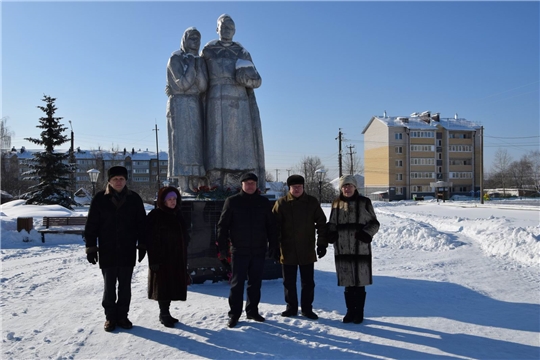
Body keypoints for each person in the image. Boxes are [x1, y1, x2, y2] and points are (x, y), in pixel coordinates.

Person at [201, 14, 265, 191]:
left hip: (239, 104)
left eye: (230, 27)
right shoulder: (208, 50)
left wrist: (245, 78)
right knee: (215, 143)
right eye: (223, 27)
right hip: (214, 101)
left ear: (235, 31)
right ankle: (214, 183)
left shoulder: (241, 52)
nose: (227, 30)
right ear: (217, 29)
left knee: (240, 145)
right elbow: (200, 76)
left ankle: (239, 182)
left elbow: (257, 80)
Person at [84, 166, 147, 332]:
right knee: (109, 286)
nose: (118, 182)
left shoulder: (134, 199)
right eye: (115, 179)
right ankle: (110, 317)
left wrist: (142, 245)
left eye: (121, 179)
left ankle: (123, 316)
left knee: (125, 287)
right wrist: (91, 247)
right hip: (107, 250)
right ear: (109, 181)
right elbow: (91, 225)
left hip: (127, 250)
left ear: (126, 180)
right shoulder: (100, 199)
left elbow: (142, 224)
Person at [216, 172, 277, 328]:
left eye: (253, 183)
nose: (250, 186)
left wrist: (274, 245)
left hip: (258, 249)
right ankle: (234, 314)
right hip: (239, 250)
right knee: (236, 284)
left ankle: (252, 311)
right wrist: (222, 247)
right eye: (247, 183)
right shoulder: (232, 202)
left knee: (255, 283)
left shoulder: (263, 202)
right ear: (241, 185)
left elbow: (271, 226)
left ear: (256, 185)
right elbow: (222, 226)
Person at [325, 175, 380, 324]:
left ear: (355, 187)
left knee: (359, 282)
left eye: (349, 186)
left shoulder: (364, 202)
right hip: (342, 249)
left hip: (360, 248)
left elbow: (374, 223)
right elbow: (332, 223)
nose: (347, 189)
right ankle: (350, 311)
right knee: (348, 282)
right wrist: (331, 234)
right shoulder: (336, 203)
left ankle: (359, 312)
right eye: (344, 186)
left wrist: (365, 234)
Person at [272, 175, 328, 320]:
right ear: (289, 188)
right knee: (288, 282)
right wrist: (274, 246)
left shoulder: (311, 202)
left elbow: (321, 223)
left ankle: (307, 308)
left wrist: (322, 243)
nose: (297, 189)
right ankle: (291, 307)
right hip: (287, 249)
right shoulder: (281, 203)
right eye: (294, 187)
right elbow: (274, 227)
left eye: (299, 187)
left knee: (308, 282)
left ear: (303, 187)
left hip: (306, 249)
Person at [166, 27, 208, 193]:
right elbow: (182, 84)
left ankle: (194, 184)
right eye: (192, 39)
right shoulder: (176, 58)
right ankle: (183, 185)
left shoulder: (199, 60)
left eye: (198, 39)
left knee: (195, 146)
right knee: (181, 144)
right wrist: (191, 64)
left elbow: (203, 86)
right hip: (180, 104)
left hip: (194, 104)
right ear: (184, 40)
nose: (195, 43)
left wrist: (197, 64)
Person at [145, 186, 190, 328]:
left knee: (171, 285)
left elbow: (184, 233)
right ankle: (163, 314)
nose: (173, 202)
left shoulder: (177, 214)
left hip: (176, 257)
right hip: (161, 258)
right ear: (163, 201)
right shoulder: (155, 215)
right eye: (169, 199)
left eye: (174, 199)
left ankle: (166, 313)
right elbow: (150, 239)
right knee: (163, 286)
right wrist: (153, 259)